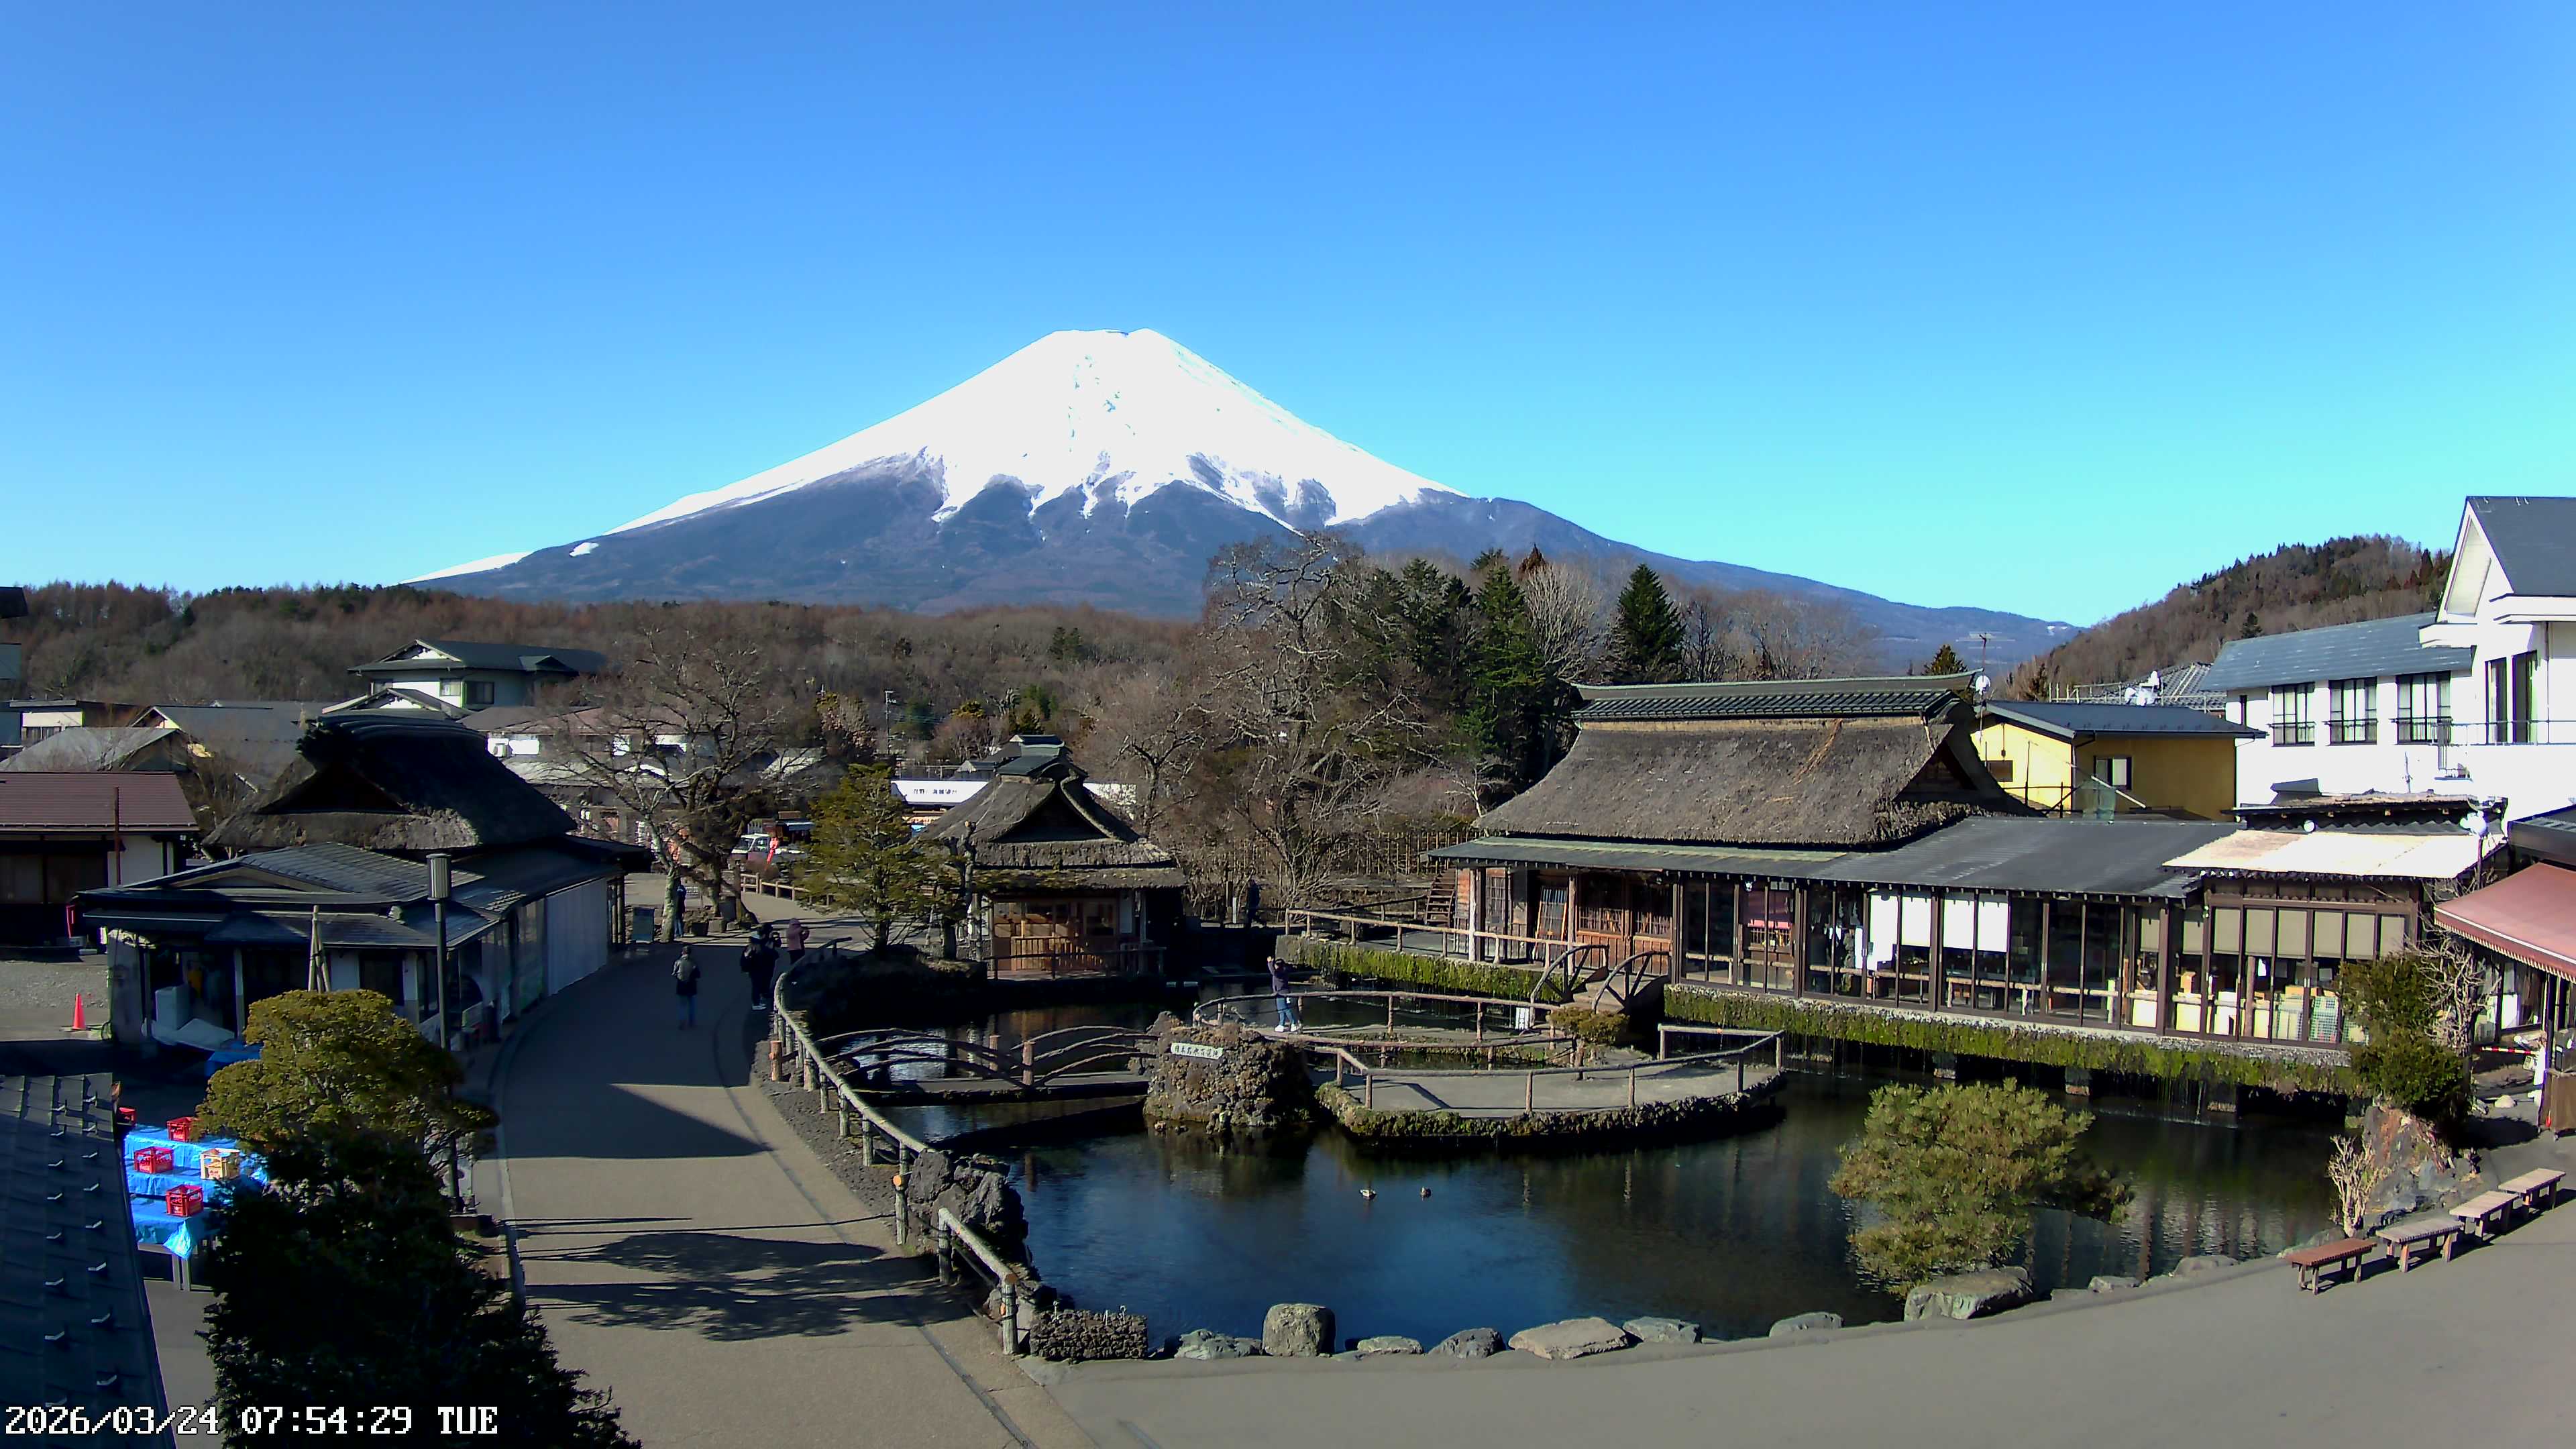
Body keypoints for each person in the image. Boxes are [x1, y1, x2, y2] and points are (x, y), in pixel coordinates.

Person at [742, 929, 779, 1013]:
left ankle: (757, 1002)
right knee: (757, 987)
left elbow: (744, 959)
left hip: (752, 970)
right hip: (758, 970)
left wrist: (745, 969)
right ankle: (756, 1004)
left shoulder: (749, 947)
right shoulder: (759, 947)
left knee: (756, 986)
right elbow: (771, 954)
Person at [673, 949, 702, 1028]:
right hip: (691, 985)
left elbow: (674, 973)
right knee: (691, 1004)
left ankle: (682, 1021)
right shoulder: (693, 962)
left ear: (682, 952)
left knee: (682, 1004)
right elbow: (698, 975)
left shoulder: (678, 962)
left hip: (682, 985)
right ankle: (691, 1021)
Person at [1269, 958, 1299, 1032]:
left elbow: (1273, 972)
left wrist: (1270, 963)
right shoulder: (1282, 972)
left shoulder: (1281, 973)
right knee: (1281, 1010)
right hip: (1280, 992)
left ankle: (1294, 1023)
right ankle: (1281, 1024)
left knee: (1285, 1009)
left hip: (1282, 993)